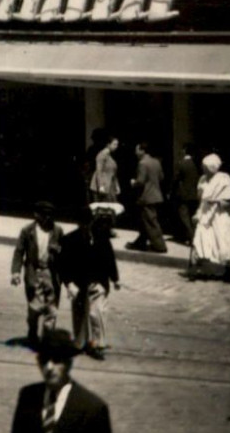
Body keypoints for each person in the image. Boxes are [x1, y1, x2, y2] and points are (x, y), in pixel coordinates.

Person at [59, 202, 121, 359]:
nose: (86, 225)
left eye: (88, 222)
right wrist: (69, 284)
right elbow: (64, 264)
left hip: (98, 282)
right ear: (78, 223)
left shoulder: (101, 238)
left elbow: (109, 259)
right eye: (83, 222)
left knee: (96, 313)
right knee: (79, 313)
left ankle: (98, 344)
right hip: (79, 283)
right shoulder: (69, 239)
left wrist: (115, 279)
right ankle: (80, 343)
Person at [11, 200, 64, 347]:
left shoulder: (57, 230)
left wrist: (58, 251)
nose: (48, 218)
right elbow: (19, 252)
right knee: (34, 308)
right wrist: (15, 272)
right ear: (37, 215)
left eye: (50, 215)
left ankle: (48, 338)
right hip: (34, 273)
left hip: (51, 273)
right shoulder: (27, 231)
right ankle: (32, 332)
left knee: (52, 309)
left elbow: (65, 253)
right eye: (45, 215)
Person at [192, 154, 230, 275]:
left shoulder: (224, 179)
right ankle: (204, 268)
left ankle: (223, 269)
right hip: (204, 213)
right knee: (201, 239)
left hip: (219, 215)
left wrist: (217, 201)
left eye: (205, 167)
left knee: (220, 242)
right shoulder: (202, 179)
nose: (203, 169)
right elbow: (200, 198)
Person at [128, 142, 167, 253]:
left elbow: (140, 181)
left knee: (150, 222)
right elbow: (161, 177)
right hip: (156, 195)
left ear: (142, 150)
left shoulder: (142, 163)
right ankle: (140, 242)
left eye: (137, 150)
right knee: (145, 221)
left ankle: (160, 246)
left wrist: (133, 182)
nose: (135, 152)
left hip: (146, 196)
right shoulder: (156, 162)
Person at [174, 143, 201, 245]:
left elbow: (175, 179)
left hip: (183, 194)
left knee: (184, 217)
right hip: (194, 194)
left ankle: (191, 237)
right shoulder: (196, 164)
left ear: (185, 150)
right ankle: (192, 236)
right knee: (192, 216)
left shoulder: (181, 163)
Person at [90, 136, 121, 205]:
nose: (116, 146)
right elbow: (99, 170)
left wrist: (117, 185)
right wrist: (101, 186)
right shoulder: (102, 155)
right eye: (114, 144)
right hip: (102, 186)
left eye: (117, 144)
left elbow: (114, 173)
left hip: (110, 185)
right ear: (108, 144)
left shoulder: (110, 157)